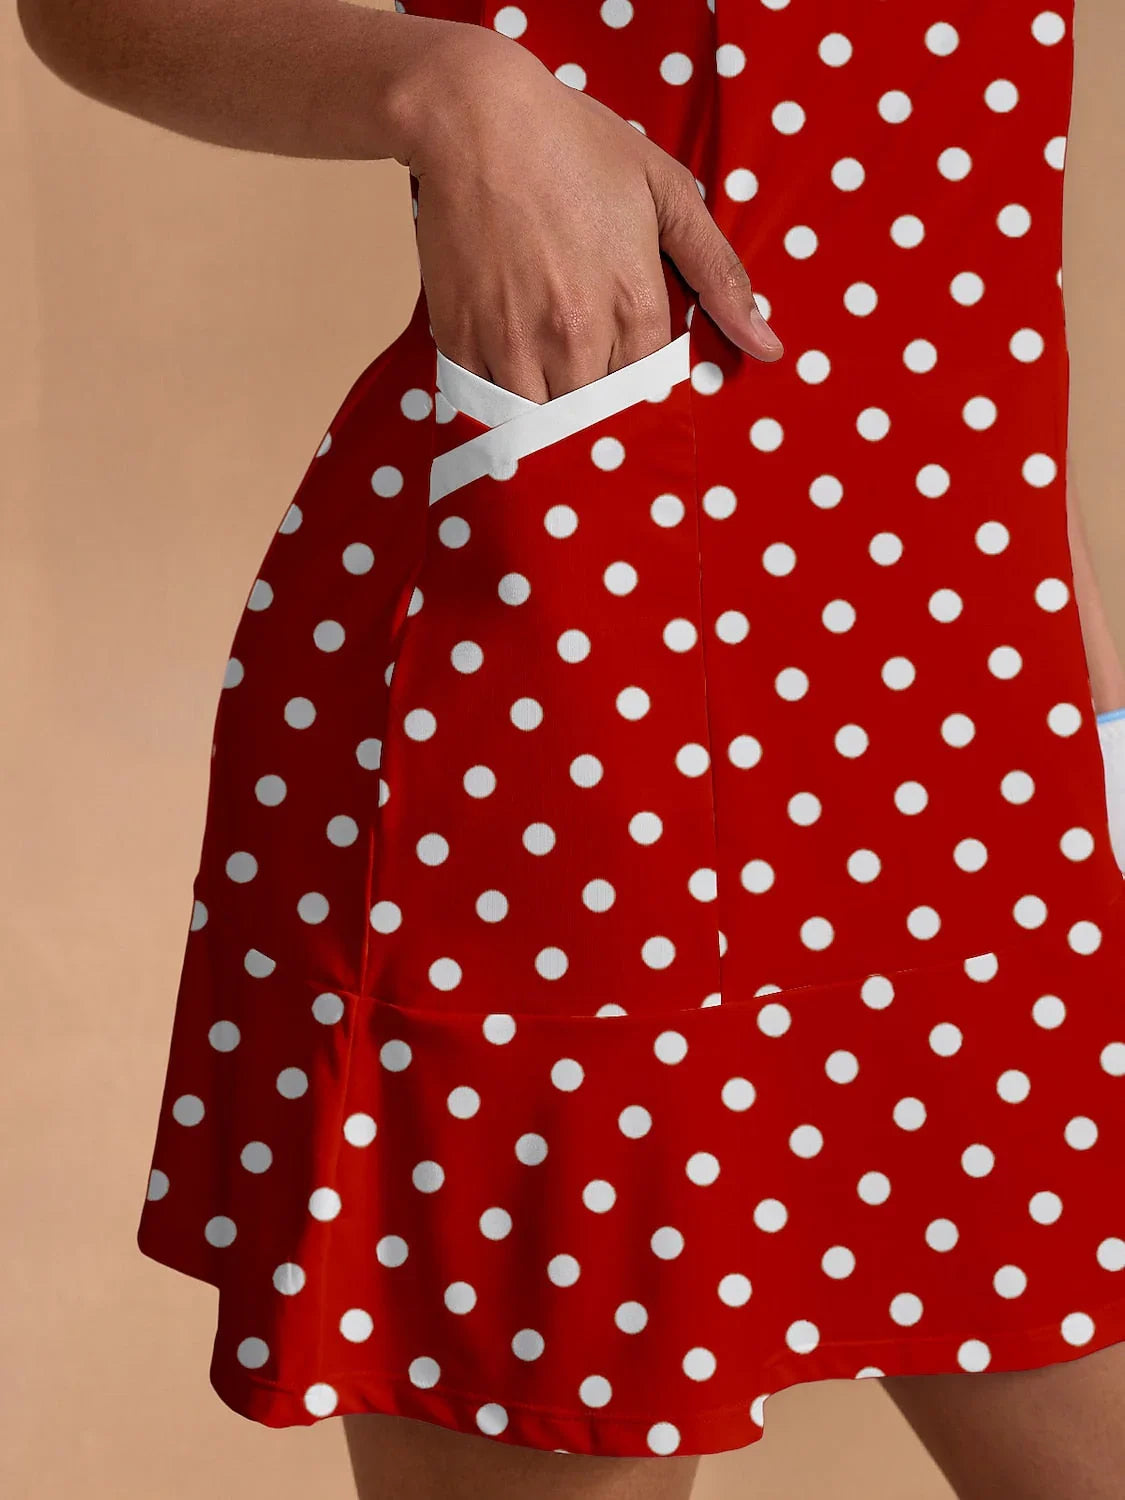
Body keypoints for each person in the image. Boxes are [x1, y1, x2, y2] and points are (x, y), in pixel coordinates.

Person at [18, 2, 1125, 1496]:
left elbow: (967, 260)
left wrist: (1097, 717)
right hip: (558, 693)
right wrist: (450, 85)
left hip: (976, 715)